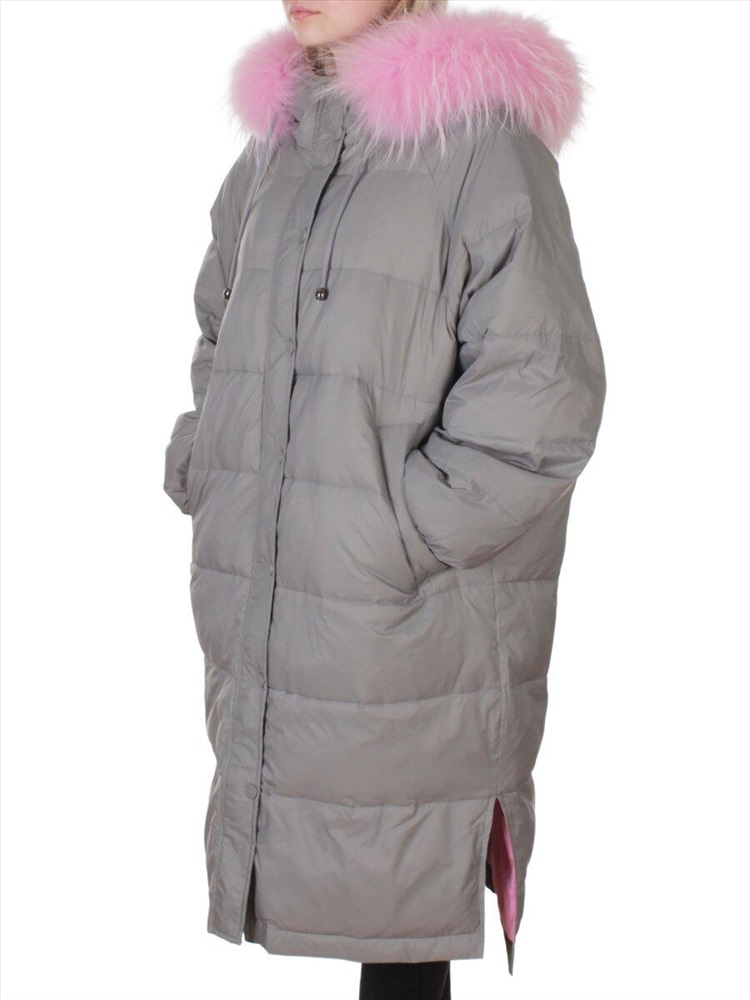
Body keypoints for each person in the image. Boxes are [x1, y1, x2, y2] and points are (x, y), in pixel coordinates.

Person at [163, 1, 607, 997]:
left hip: (410, 624)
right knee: (330, 880)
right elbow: (218, 331)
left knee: (402, 918)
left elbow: (542, 395)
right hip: (276, 607)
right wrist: (211, 463)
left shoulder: (480, 151)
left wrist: (396, 530)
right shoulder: (274, 153)